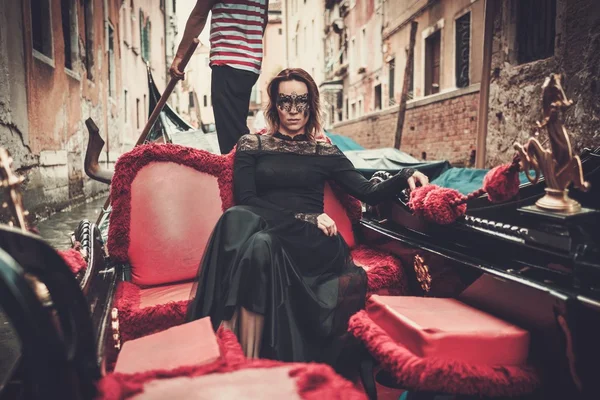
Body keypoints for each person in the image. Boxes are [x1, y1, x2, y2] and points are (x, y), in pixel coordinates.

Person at [187, 69, 429, 366]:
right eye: (285, 100)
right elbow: (247, 199)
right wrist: (304, 216)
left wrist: (404, 174)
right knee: (250, 232)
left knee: (259, 244)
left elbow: (368, 192)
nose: (292, 109)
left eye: (300, 101)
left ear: (311, 104)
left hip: (314, 243)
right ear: (274, 105)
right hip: (274, 228)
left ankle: (243, 358)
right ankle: (247, 361)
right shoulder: (252, 145)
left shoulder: (324, 151)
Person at [170, 0, 269, 154]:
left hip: (227, 62)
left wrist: (180, 56)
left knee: (231, 140)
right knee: (237, 128)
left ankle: (241, 175)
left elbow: (198, 16)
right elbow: (263, 19)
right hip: (251, 65)